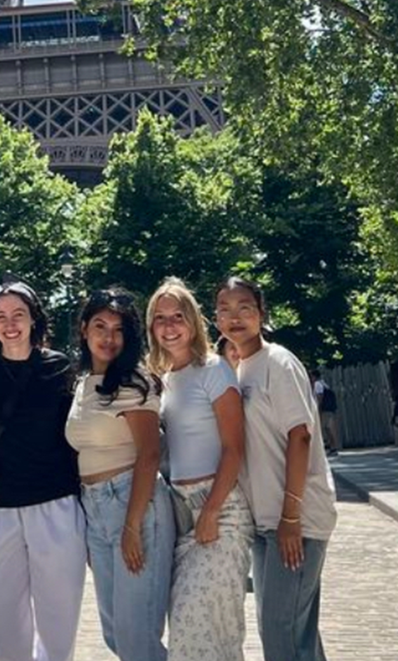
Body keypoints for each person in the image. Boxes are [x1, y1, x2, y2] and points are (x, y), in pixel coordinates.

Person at [218, 277, 336, 661]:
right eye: (225, 309)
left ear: (261, 314)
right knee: (294, 632)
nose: (235, 317)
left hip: (295, 521)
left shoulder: (278, 362)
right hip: (266, 523)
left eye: (245, 308)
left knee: (280, 634)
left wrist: (291, 515)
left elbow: (299, 436)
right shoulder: (239, 370)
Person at [0, 280, 84, 661]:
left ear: (34, 318)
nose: (10, 323)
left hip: (55, 503)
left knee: (58, 618)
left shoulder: (60, 367)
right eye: (0, 316)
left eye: (18, 314)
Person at [68, 289, 172, 661]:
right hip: (96, 512)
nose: (108, 337)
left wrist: (131, 526)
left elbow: (149, 455)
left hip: (135, 505)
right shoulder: (82, 386)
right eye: (100, 326)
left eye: (118, 330)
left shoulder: (133, 383)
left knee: (136, 638)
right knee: (115, 634)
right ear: (84, 330)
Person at [151, 279, 250, 661]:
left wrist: (210, 510)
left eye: (177, 316)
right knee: (190, 630)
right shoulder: (163, 379)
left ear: (193, 321)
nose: (169, 326)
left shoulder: (214, 370)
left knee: (205, 623)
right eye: (160, 318)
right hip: (179, 512)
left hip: (220, 509)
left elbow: (234, 448)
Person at [310, 370, 339, 456]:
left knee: (326, 428)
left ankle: (332, 447)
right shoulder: (324, 383)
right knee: (328, 427)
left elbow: (320, 397)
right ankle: (332, 446)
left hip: (324, 409)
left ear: (314, 376)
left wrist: (318, 409)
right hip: (329, 409)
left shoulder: (317, 384)